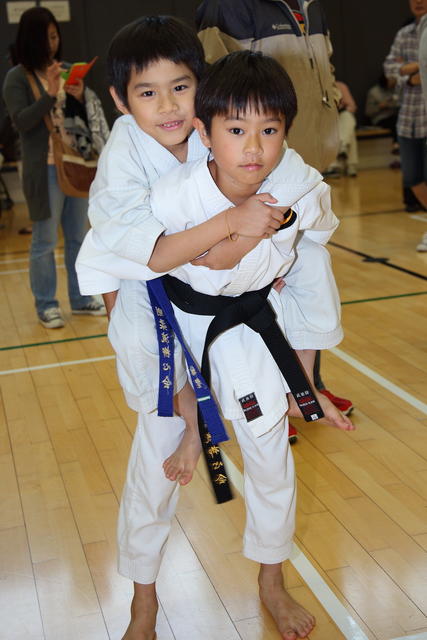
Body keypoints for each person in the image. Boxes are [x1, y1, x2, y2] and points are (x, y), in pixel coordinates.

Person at [75, 18, 352, 640]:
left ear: (202, 89)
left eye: (182, 86)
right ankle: (142, 601)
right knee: (155, 457)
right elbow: (149, 254)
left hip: (240, 314)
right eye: (147, 93)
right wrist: (237, 228)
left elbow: (299, 200)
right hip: (155, 302)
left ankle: (271, 581)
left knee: (271, 450)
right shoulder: (128, 161)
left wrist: (269, 238)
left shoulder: (230, 126)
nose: (169, 106)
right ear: (121, 101)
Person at [196, 0, 354, 438]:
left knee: (313, 265)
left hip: (298, 148)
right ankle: (265, 395)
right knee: (259, 298)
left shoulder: (313, 9)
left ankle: (302, 388)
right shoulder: (229, 7)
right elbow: (217, 77)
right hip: (246, 164)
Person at [2, 7, 108, 328]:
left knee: (78, 236)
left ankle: (80, 299)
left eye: (55, 35)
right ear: (31, 39)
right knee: (45, 240)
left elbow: (82, 119)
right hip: (43, 168)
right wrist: (49, 95)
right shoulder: (17, 77)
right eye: (47, 36)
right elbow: (22, 122)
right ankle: (46, 304)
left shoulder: (63, 69)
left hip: (75, 164)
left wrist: (76, 95)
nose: (53, 42)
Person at [384, 0, 427, 213]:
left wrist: (408, 68)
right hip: (408, 120)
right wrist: (412, 75)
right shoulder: (404, 33)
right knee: (412, 178)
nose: (418, 2)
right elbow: (390, 68)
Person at [325, 81, 358, 177]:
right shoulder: (317, 85)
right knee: (350, 133)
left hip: (341, 115)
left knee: (348, 117)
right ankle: (350, 164)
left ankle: (334, 165)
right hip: (326, 120)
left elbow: (352, 106)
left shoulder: (340, 86)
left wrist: (343, 107)